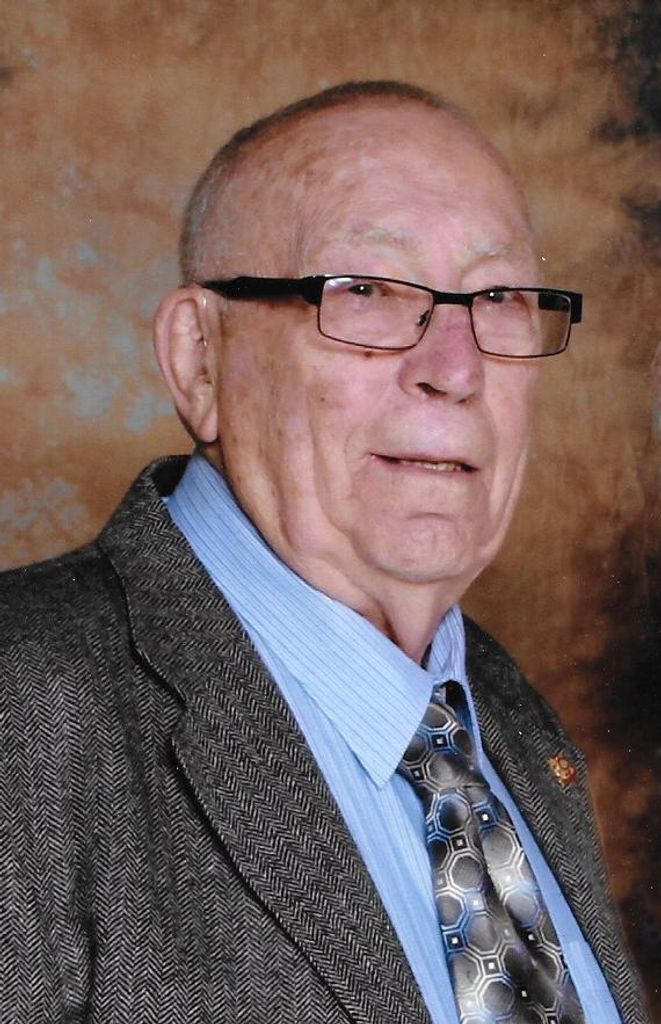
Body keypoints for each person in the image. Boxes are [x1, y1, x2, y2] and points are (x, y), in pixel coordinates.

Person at [0, 81, 648, 1024]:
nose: (455, 369)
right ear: (199, 360)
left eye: (499, 297)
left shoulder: (505, 723)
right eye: (366, 291)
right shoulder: (21, 717)